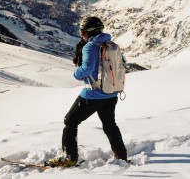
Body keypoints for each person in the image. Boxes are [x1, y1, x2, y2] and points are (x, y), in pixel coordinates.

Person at [46, 16, 128, 167]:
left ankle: (69, 157)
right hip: (111, 94)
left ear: (88, 32)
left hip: (93, 95)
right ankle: (121, 155)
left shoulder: (90, 47)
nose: (81, 35)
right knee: (110, 125)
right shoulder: (110, 44)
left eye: (82, 32)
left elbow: (87, 69)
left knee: (70, 122)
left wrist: (76, 74)